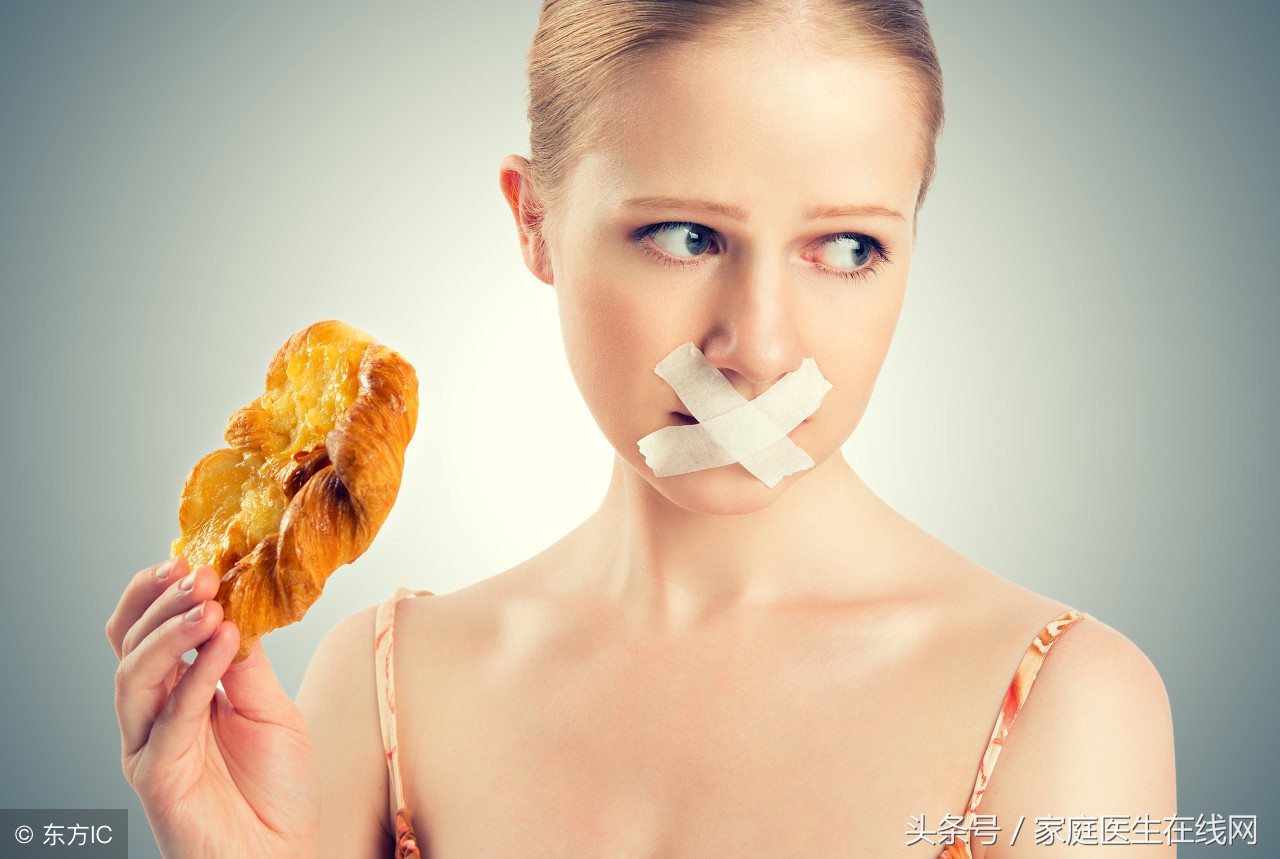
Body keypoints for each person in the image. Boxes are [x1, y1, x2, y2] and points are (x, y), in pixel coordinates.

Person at [106, 1, 1177, 856]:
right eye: (683, 235)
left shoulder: (1065, 703)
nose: (758, 348)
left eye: (847, 247)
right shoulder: (385, 687)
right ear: (534, 222)